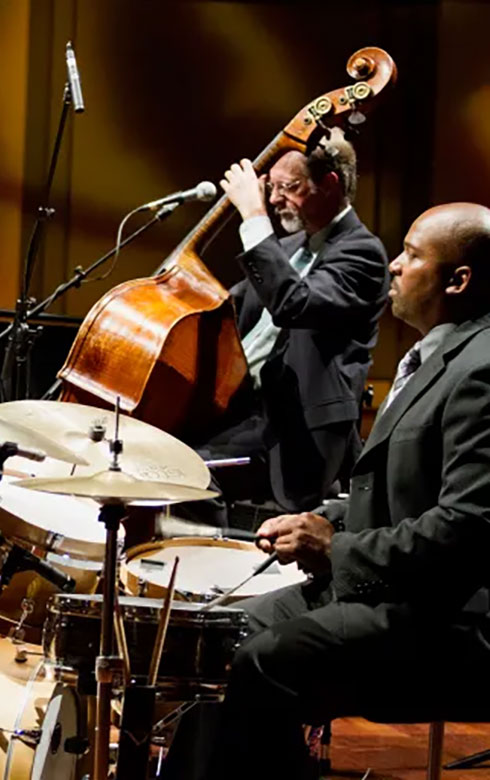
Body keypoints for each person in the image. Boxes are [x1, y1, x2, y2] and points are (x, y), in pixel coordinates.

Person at [163, 202, 490, 780]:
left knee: (269, 660)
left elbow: (467, 526)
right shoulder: (441, 353)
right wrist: (328, 516)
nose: (393, 265)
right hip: (401, 591)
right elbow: (402, 489)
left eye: (412, 255)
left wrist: (333, 549)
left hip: (452, 617)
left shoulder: (481, 369)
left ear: (458, 280)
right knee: (224, 636)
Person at [199, 133, 388, 513]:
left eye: (289, 187)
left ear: (329, 184)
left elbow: (293, 304)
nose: (272, 200)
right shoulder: (285, 248)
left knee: (197, 477)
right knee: (170, 465)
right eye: (271, 188)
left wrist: (253, 218)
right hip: (245, 412)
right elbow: (227, 308)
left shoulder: (362, 253)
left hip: (298, 427)